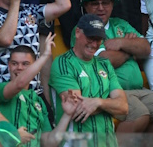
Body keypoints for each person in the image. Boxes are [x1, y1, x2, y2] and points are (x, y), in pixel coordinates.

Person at [80, 0, 153, 133]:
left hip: (138, 89)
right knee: (140, 115)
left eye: (105, 3)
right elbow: (104, 61)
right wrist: (130, 49)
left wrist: (120, 42)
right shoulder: (83, 30)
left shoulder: (120, 24)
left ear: (112, 5)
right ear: (86, 7)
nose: (101, 8)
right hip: (110, 92)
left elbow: (146, 48)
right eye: (95, 3)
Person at [50, 14, 128, 146]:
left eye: (98, 39)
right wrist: (110, 104)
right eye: (91, 38)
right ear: (78, 32)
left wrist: (98, 102)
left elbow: (124, 108)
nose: (94, 44)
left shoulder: (105, 64)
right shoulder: (63, 63)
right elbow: (77, 108)